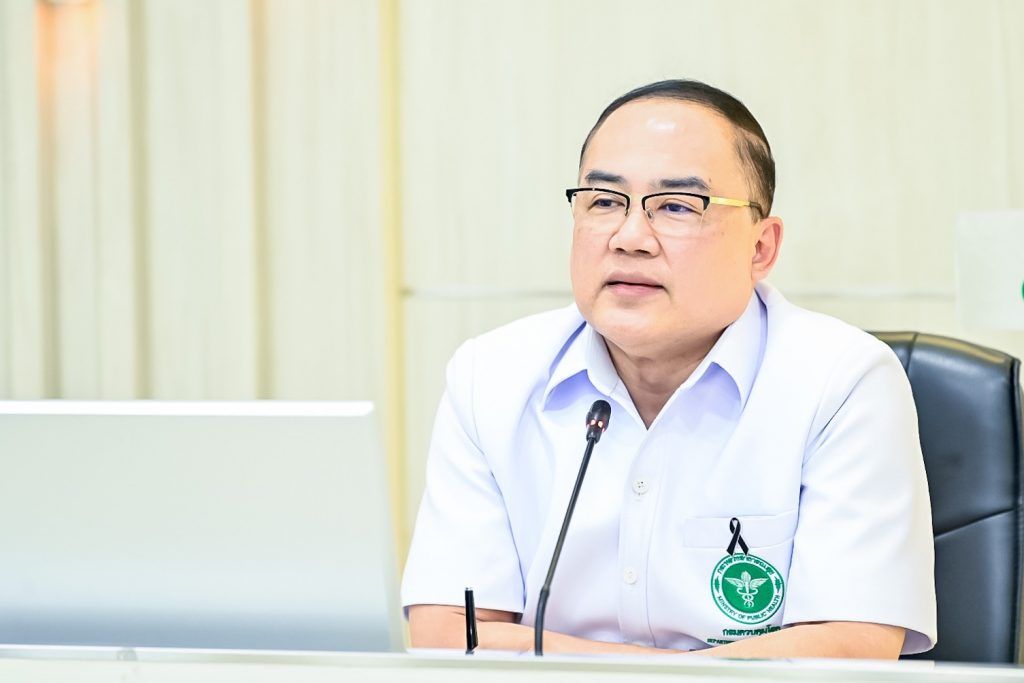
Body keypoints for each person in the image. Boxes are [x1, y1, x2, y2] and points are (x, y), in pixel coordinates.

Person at [400, 79, 936, 658]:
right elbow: (447, 636)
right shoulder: (490, 376)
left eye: (678, 206)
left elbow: (849, 647)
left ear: (761, 248)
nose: (630, 238)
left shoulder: (842, 381)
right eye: (604, 201)